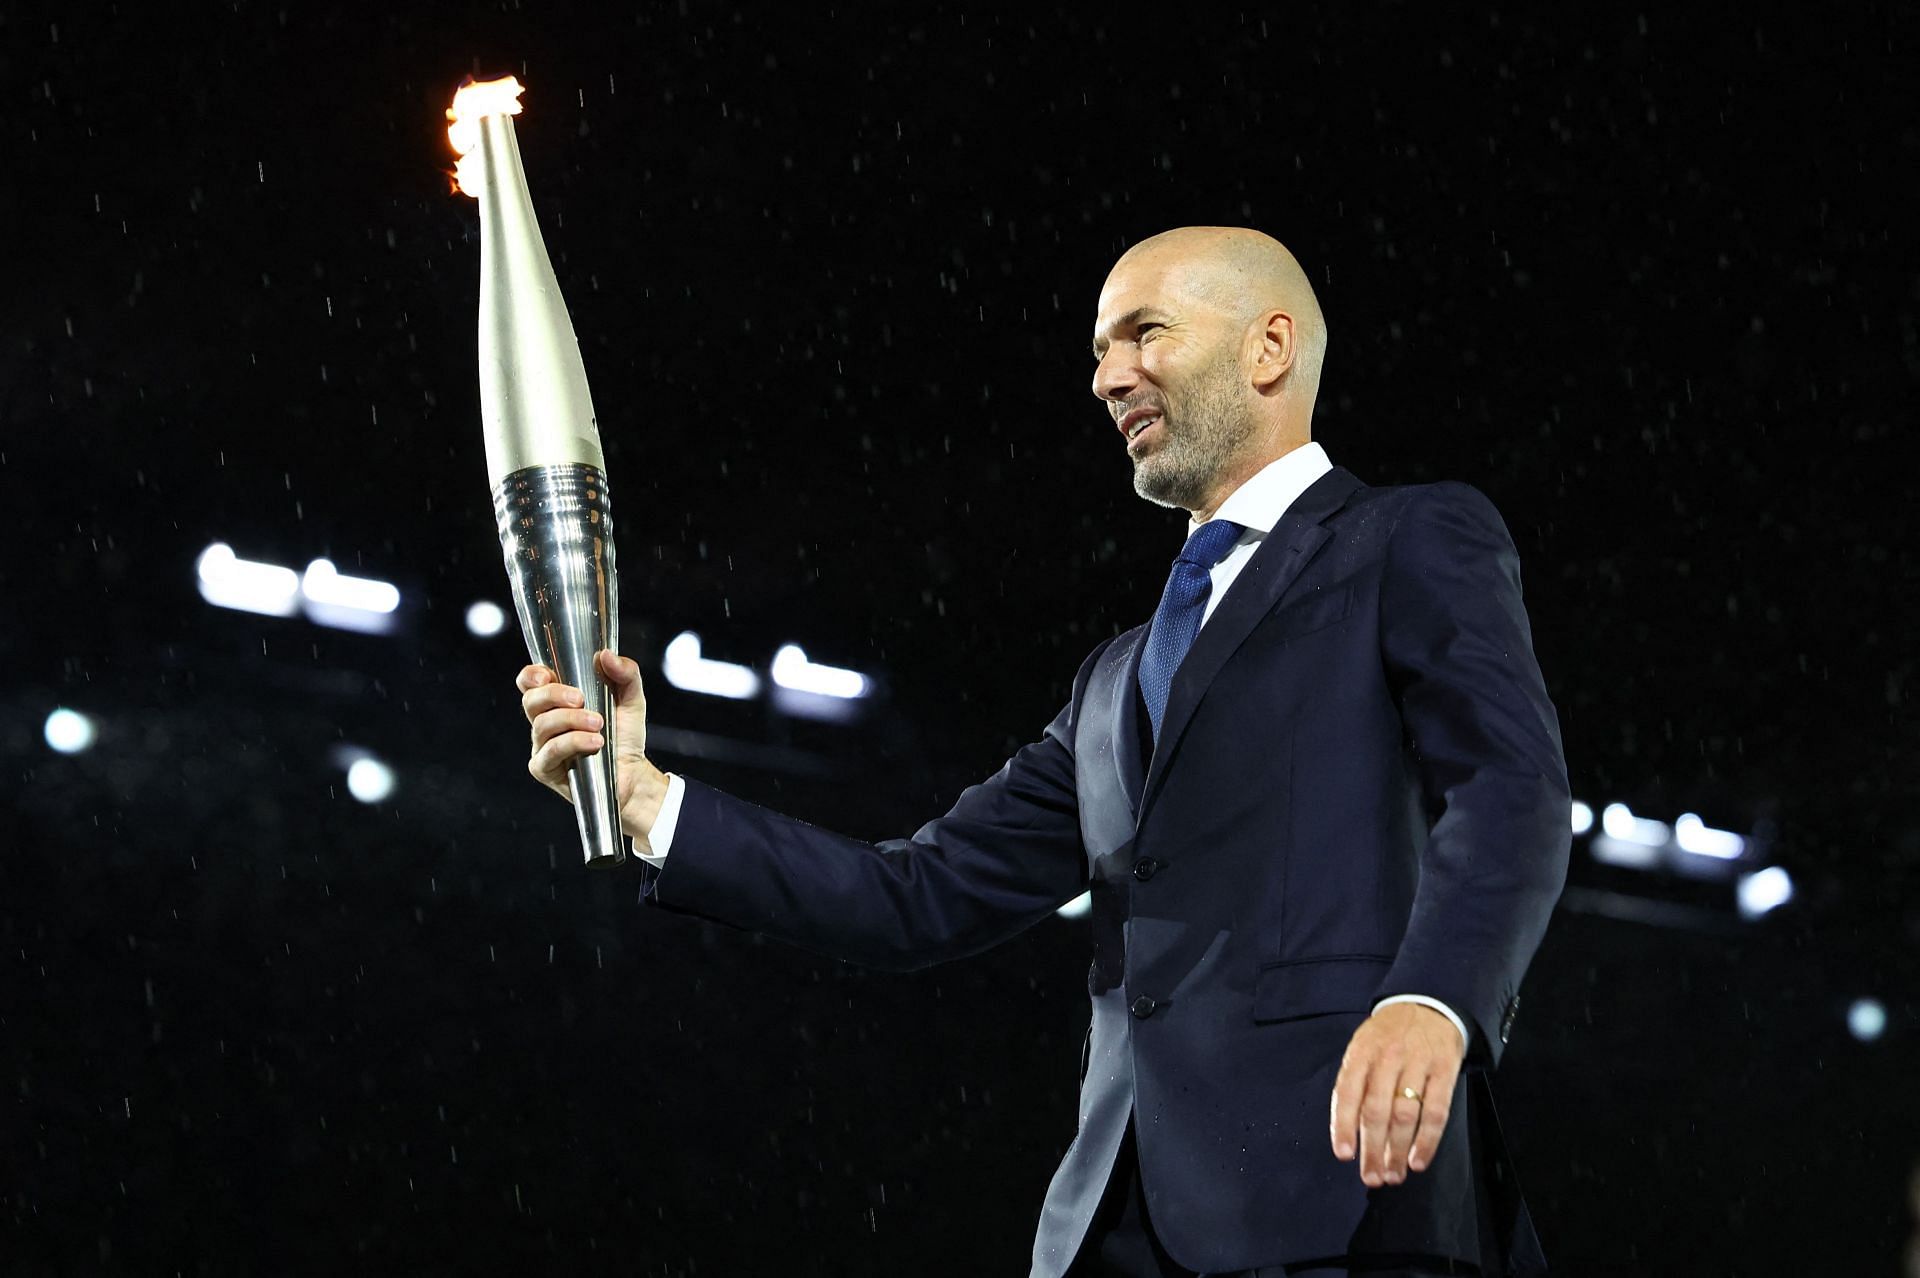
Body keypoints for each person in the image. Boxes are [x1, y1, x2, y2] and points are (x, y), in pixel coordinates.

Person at [516, 227, 1569, 1277]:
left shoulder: (1409, 539)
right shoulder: (1113, 680)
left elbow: (1510, 788)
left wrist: (1435, 1000)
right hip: (1106, 1228)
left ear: (1269, 347)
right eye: (1098, 352)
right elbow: (914, 897)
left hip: (1345, 1205)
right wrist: (650, 799)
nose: (1109, 377)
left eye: (1143, 333)